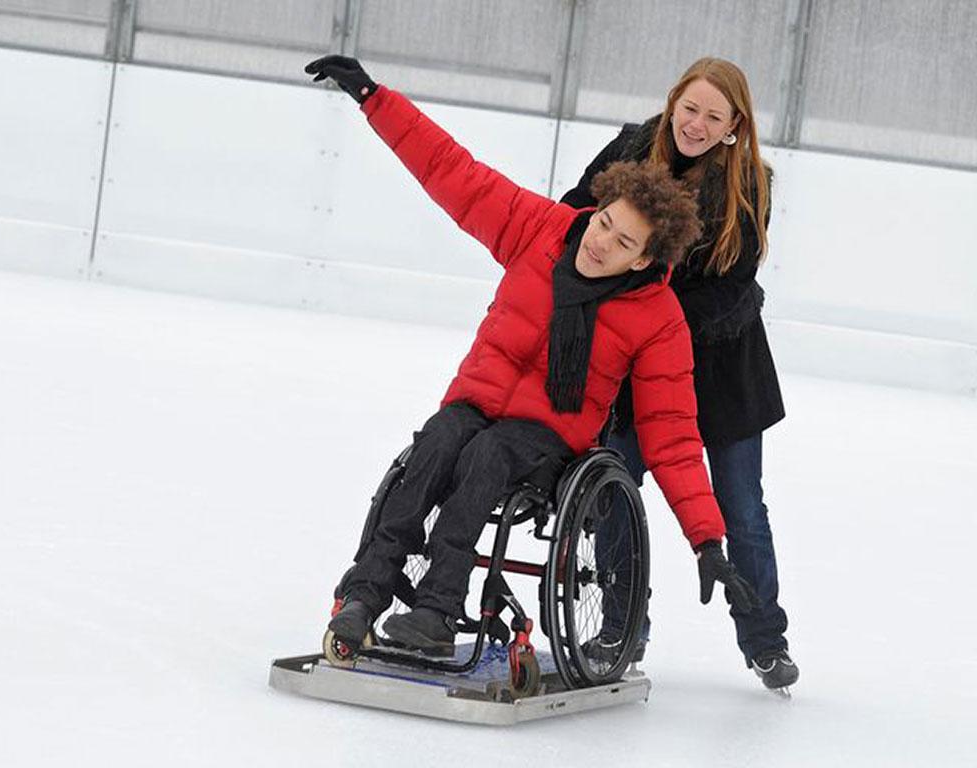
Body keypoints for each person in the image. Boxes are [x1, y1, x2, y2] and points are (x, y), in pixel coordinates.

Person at [304, 55, 759, 659]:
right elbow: (452, 172)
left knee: (487, 455)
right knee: (438, 441)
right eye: (604, 223)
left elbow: (671, 434)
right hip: (476, 404)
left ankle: (437, 610)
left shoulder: (657, 317)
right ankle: (365, 594)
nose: (600, 243)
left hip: (548, 436)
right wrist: (373, 98)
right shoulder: (539, 228)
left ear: (646, 259)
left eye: (623, 242)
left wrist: (706, 540)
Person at [560, 57, 797, 691]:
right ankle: (621, 628)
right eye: (689, 108)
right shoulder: (633, 148)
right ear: (673, 103)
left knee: (741, 510)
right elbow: (575, 212)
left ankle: (764, 638)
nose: (697, 124)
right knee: (613, 486)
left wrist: (648, 315)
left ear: (734, 125)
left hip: (722, 368)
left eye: (714, 116)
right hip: (639, 366)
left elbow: (732, 285)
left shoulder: (749, 183)